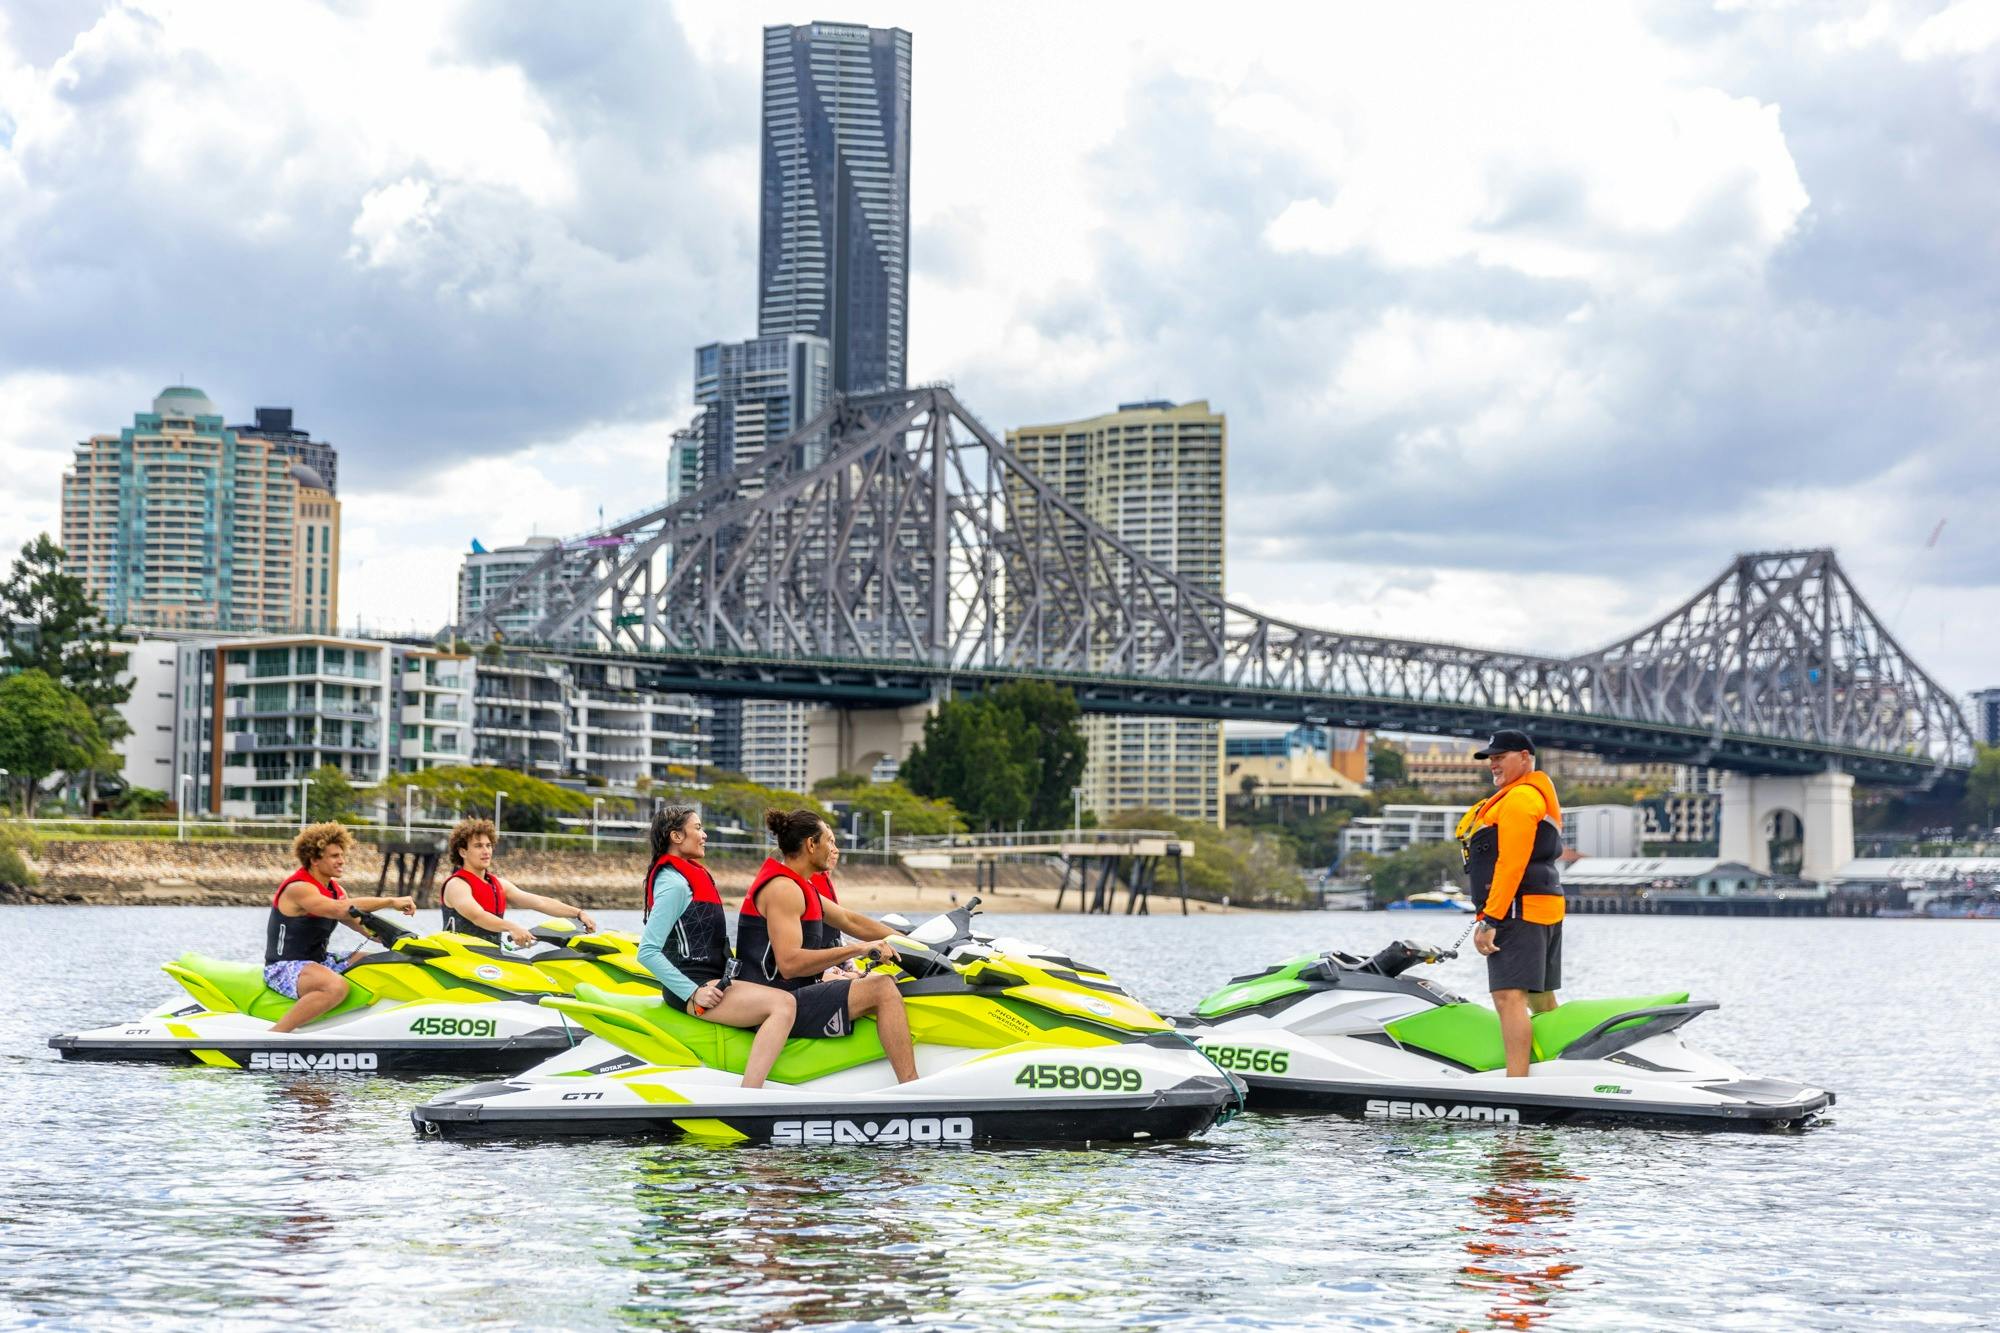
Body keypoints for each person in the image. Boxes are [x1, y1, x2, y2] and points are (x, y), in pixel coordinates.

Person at [735, 809, 919, 1082]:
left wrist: (916, 944)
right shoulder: (783, 889)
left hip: (796, 992)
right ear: (811, 845)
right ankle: (911, 1089)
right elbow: (789, 964)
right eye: (830, 841)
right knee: (882, 989)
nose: (834, 848)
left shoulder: (801, 886)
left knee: (883, 979)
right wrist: (859, 949)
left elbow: (849, 920)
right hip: (775, 1002)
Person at [634, 805, 796, 1089]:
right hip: (694, 985)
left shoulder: (690, 876)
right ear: (676, 836)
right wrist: (693, 992)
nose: (704, 835)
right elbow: (647, 951)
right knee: (783, 1005)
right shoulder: (673, 884)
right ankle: (750, 1095)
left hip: (714, 980)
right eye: (697, 828)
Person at [1459, 729, 1566, 1077]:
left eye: (1500, 756)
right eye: (1490, 757)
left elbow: (1512, 863)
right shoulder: (1530, 796)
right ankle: (1558, 1071)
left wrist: (1490, 918)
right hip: (1542, 909)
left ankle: (1516, 1085)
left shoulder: (1520, 800)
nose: (1493, 763)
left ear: (1525, 757)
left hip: (1517, 912)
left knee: (1509, 998)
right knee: (1541, 1001)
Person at [266, 822, 416, 1033]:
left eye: (342, 855)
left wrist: (405, 942)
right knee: (336, 987)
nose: (342, 861)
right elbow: (340, 910)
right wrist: (390, 901)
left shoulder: (336, 890)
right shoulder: (299, 888)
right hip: (284, 967)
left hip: (319, 961)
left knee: (379, 963)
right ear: (315, 859)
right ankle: (275, 1036)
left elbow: (364, 926)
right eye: (334, 856)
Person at [439, 818, 598, 947]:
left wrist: (578, 913)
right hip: (459, 959)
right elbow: (478, 916)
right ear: (463, 852)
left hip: (490, 959)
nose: (486, 851)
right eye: (478, 846)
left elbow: (540, 902)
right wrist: (512, 927)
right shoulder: (457, 885)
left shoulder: (499, 885)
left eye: (488, 845)